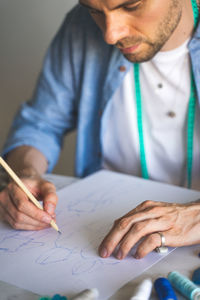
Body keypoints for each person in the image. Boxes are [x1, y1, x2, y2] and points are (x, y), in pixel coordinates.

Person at [1, 0, 200, 260]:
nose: (110, 34)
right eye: (94, 10)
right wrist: (24, 174)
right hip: (101, 241)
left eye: (131, 6)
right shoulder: (80, 27)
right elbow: (40, 124)